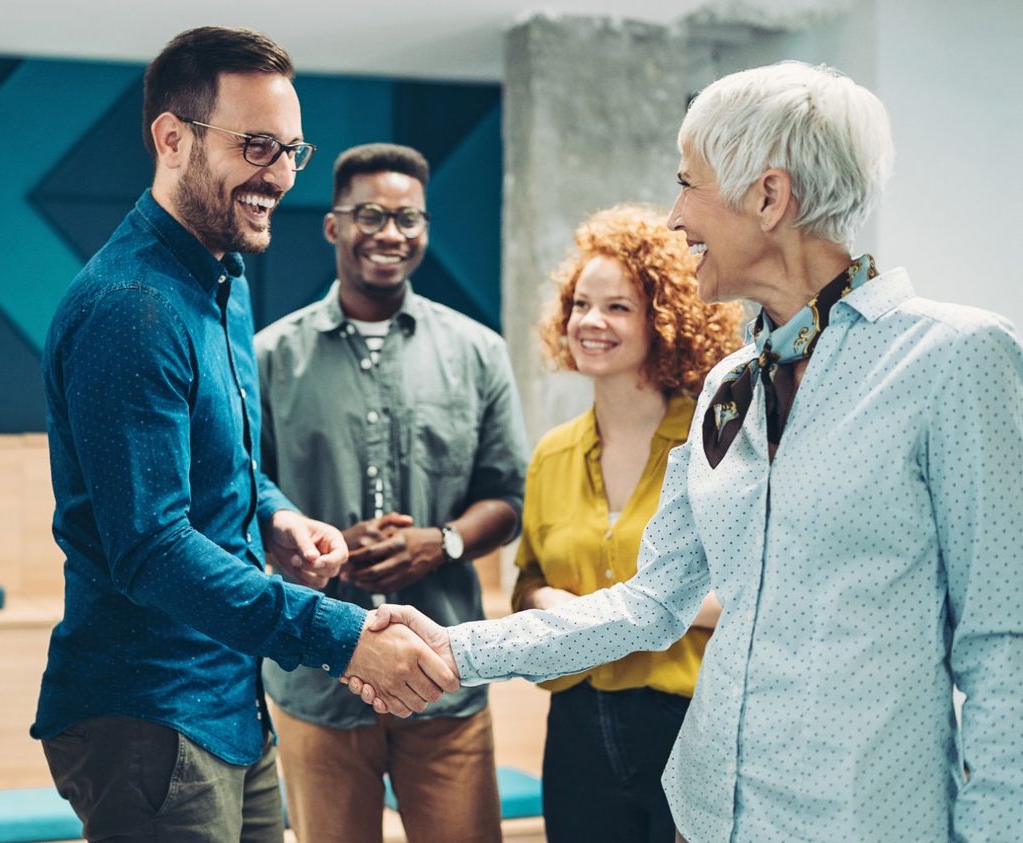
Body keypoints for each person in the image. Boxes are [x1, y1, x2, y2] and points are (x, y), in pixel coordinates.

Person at [347, 60, 1023, 842]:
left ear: (768, 196)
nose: (673, 217)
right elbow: (650, 599)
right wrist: (454, 647)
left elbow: (1005, 643)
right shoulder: (729, 386)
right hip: (713, 816)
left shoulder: (954, 358)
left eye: (687, 183)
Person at [31, 26, 458, 842]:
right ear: (171, 139)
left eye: (292, 150)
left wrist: (274, 514)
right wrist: (341, 638)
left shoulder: (222, 278)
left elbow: (223, 469)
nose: (280, 176)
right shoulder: (134, 306)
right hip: (149, 710)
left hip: (229, 692)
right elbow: (150, 547)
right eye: (257, 145)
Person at [255, 143, 528, 843]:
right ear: (333, 225)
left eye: (409, 218)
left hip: (446, 673)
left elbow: (507, 494)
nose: (390, 233)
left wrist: (441, 542)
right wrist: (307, 540)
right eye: (370, 214)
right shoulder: (269, 356)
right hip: (318, 677)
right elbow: (241, 488)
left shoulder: (478, 351)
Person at [516, 203, 741, 842]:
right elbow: (527, 582)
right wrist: (551, 600)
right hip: (578, 723)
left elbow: (753, 593)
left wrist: (622, 608)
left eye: (617, 307)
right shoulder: (552, 455)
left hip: (690, 718)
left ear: (665, 319)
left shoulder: (717, 443)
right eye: (581, 304)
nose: (591, 322)